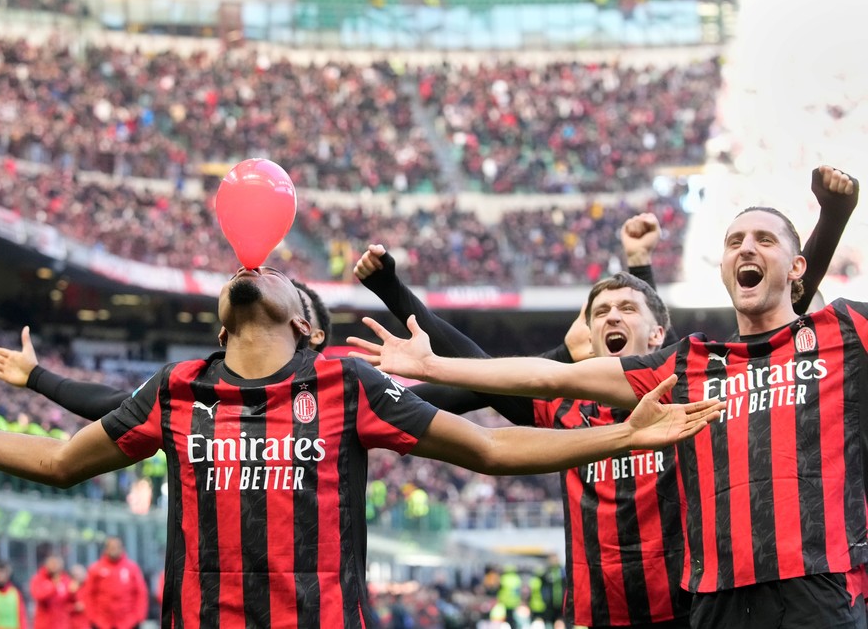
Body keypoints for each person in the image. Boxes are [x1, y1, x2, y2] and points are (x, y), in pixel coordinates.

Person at [0, 262, 721, 626]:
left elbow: (490, 451)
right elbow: (55, 463)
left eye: (275, 271)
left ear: (304, 322)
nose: (254, 264)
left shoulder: (347, 384)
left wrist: (622, 433)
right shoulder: (176, 390)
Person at [350, 166, 864, 629]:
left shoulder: (686, 387)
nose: (612, 316)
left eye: (627, 308)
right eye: (600, 311)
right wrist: (426, 355)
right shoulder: (624, 390)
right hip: (621, 611)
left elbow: (784, 324)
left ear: (659, 333)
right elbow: (521, 378)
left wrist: (833, 217)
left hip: (701, 603)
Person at [0, 280, 332, 422]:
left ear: (310, 332)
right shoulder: (193, 393)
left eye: (295, 301)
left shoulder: (342, 392)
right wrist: (37, 376)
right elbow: (112, 406)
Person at [80, 538, 147, 629]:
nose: (114, 549)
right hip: (102, 622)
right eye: (111, 547)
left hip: (128, 622)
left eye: (117, 547)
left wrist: (138, 617)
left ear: (122, 549)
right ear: (106, 549)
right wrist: (92, 618)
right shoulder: (95, 569)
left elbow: (141, 593)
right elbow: (88, 593)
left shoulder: (132, 568)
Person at [29, 556, 75, 629]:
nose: (54, 567)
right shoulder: (39, 579)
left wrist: (73, 594)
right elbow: (38, 595)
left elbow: (69, 602)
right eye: (52, 564)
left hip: (62, 624)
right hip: (44, 625)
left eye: (57, 564)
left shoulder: (65, 579)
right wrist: (53, 586)